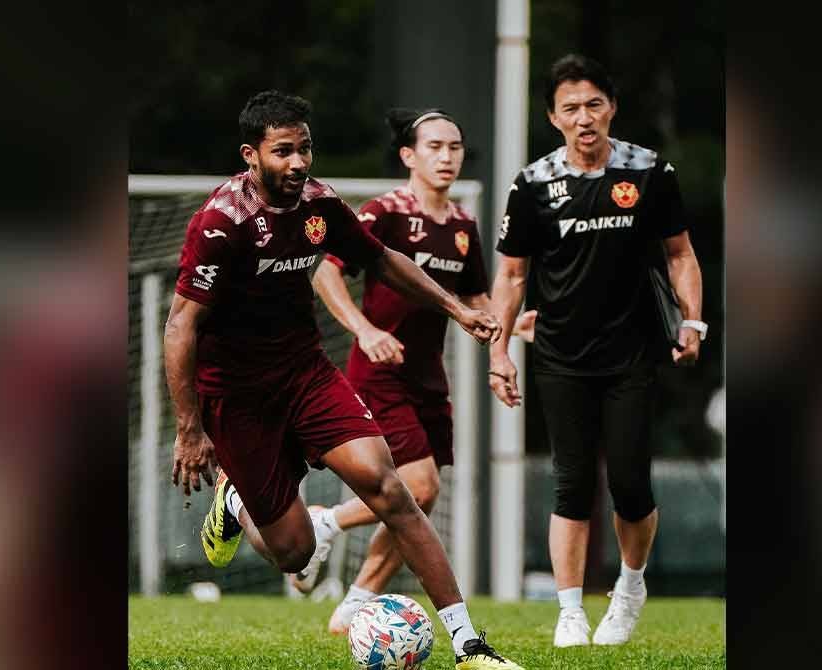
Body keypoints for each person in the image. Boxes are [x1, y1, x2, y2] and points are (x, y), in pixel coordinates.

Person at [166, 90, 522, 669]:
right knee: (294, 552)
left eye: (305, 149)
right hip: (237, 396)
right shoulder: (221, 223)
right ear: (251, 155)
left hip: (306, 374)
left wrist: (456, 309)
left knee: (393, 489)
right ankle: (236, 500)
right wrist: (189, 427)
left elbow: (380, 259)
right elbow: (180, 325)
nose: (299, 162)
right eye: (284, 151)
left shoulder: (320, 204)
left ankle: (469, 646)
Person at [487, 54, 706, 649]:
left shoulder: (650, 171)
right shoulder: (532, 184)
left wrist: (693, 321)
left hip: (632, 351)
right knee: (572, 483)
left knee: (631, 485)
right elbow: (511, 276)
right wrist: (498, 353)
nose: (583, 118)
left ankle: (630, 588)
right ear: (553, 118)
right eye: (570, 109)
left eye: (593, 105)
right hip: (559, 354)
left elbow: (680, 255)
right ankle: (569, 613)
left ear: (611, 108)